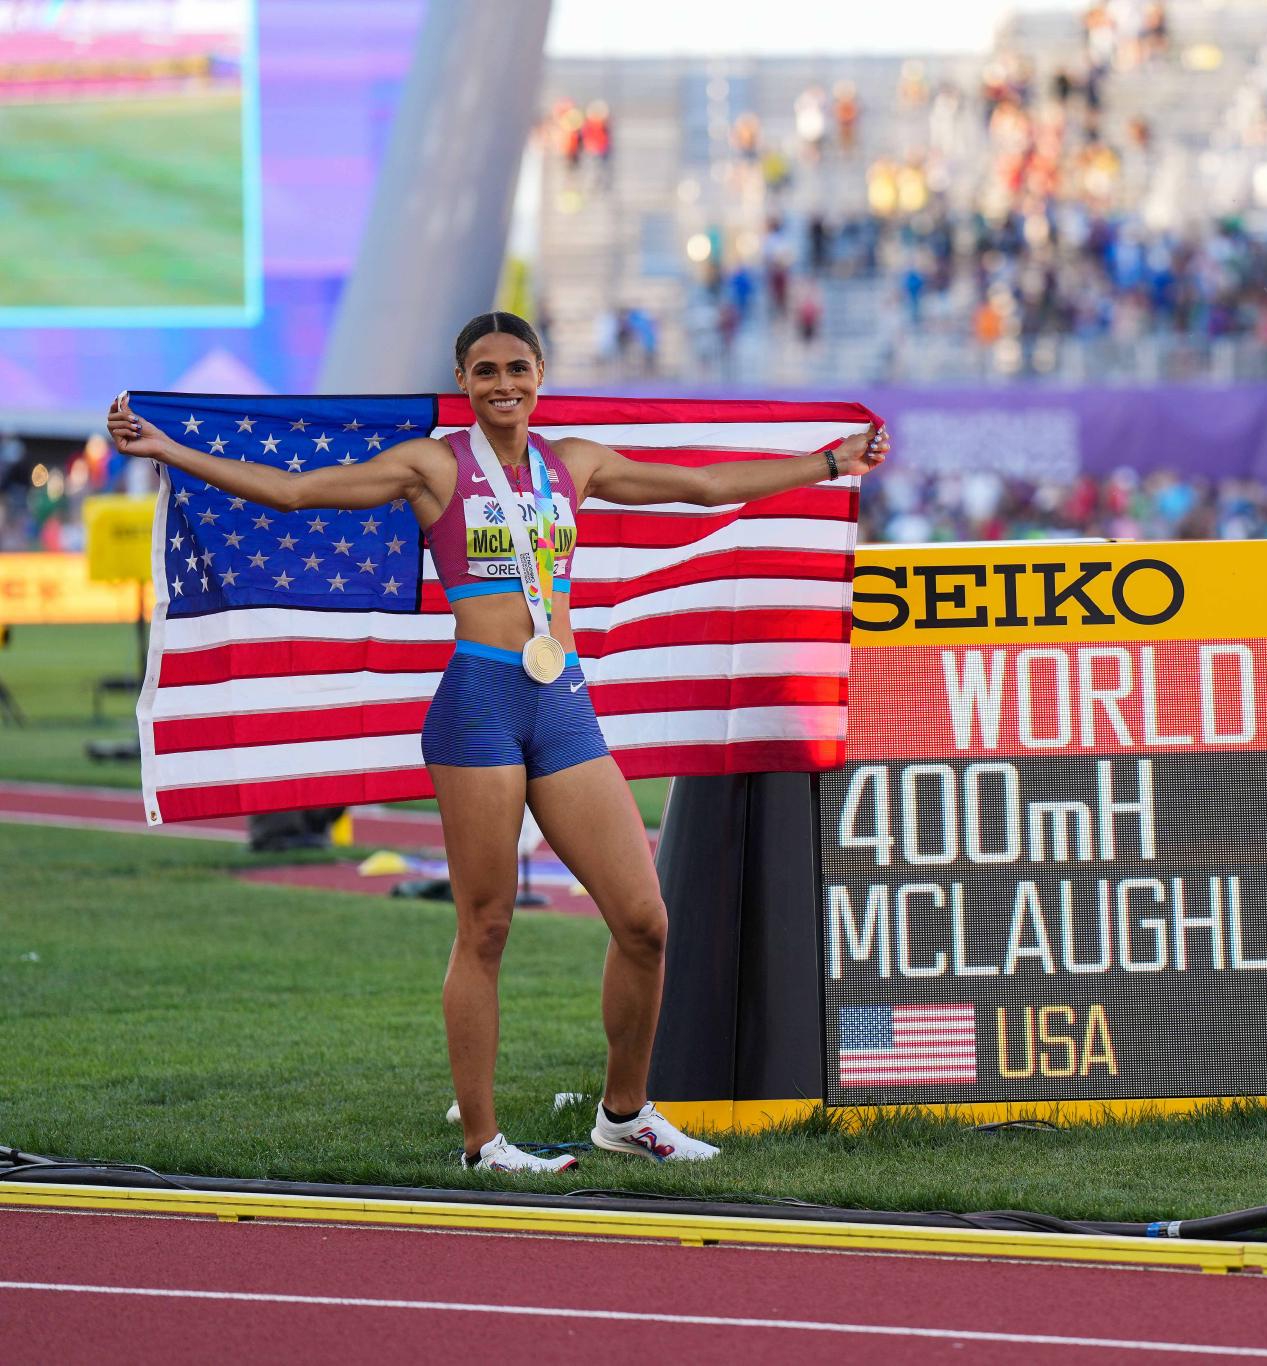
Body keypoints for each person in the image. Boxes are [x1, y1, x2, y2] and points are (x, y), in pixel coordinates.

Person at [107, 311, 888, 1173]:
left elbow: (702, 486)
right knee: (485, 927)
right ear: (465, 382)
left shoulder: (573, 463)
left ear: (540, 374)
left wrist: (829, 464)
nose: (503, 384)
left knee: (643, 921)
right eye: (485, 372)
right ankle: (483, 1143)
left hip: (563, 703)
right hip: (479, 703)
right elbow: (296, 492)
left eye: (517, 367)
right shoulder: (434, 465)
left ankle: (625, 1114)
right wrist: (167, 448)